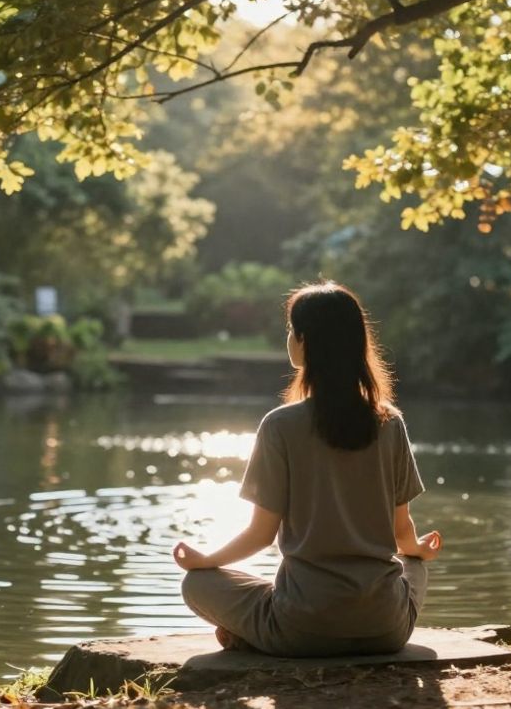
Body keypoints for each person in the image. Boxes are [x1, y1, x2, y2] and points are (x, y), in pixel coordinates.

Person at [172, 281, 442, 657]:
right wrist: (419, 550)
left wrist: (206, 561)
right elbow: (402, 534)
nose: (288, 338)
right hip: (385, 629)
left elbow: (260, 536)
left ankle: (254, 635)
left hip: (302, 629)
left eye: (290, 330)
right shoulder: (390, 423)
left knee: (196, 585)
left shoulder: (280, 426)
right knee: (414, 565)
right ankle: (264, 630)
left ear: (303, 341)